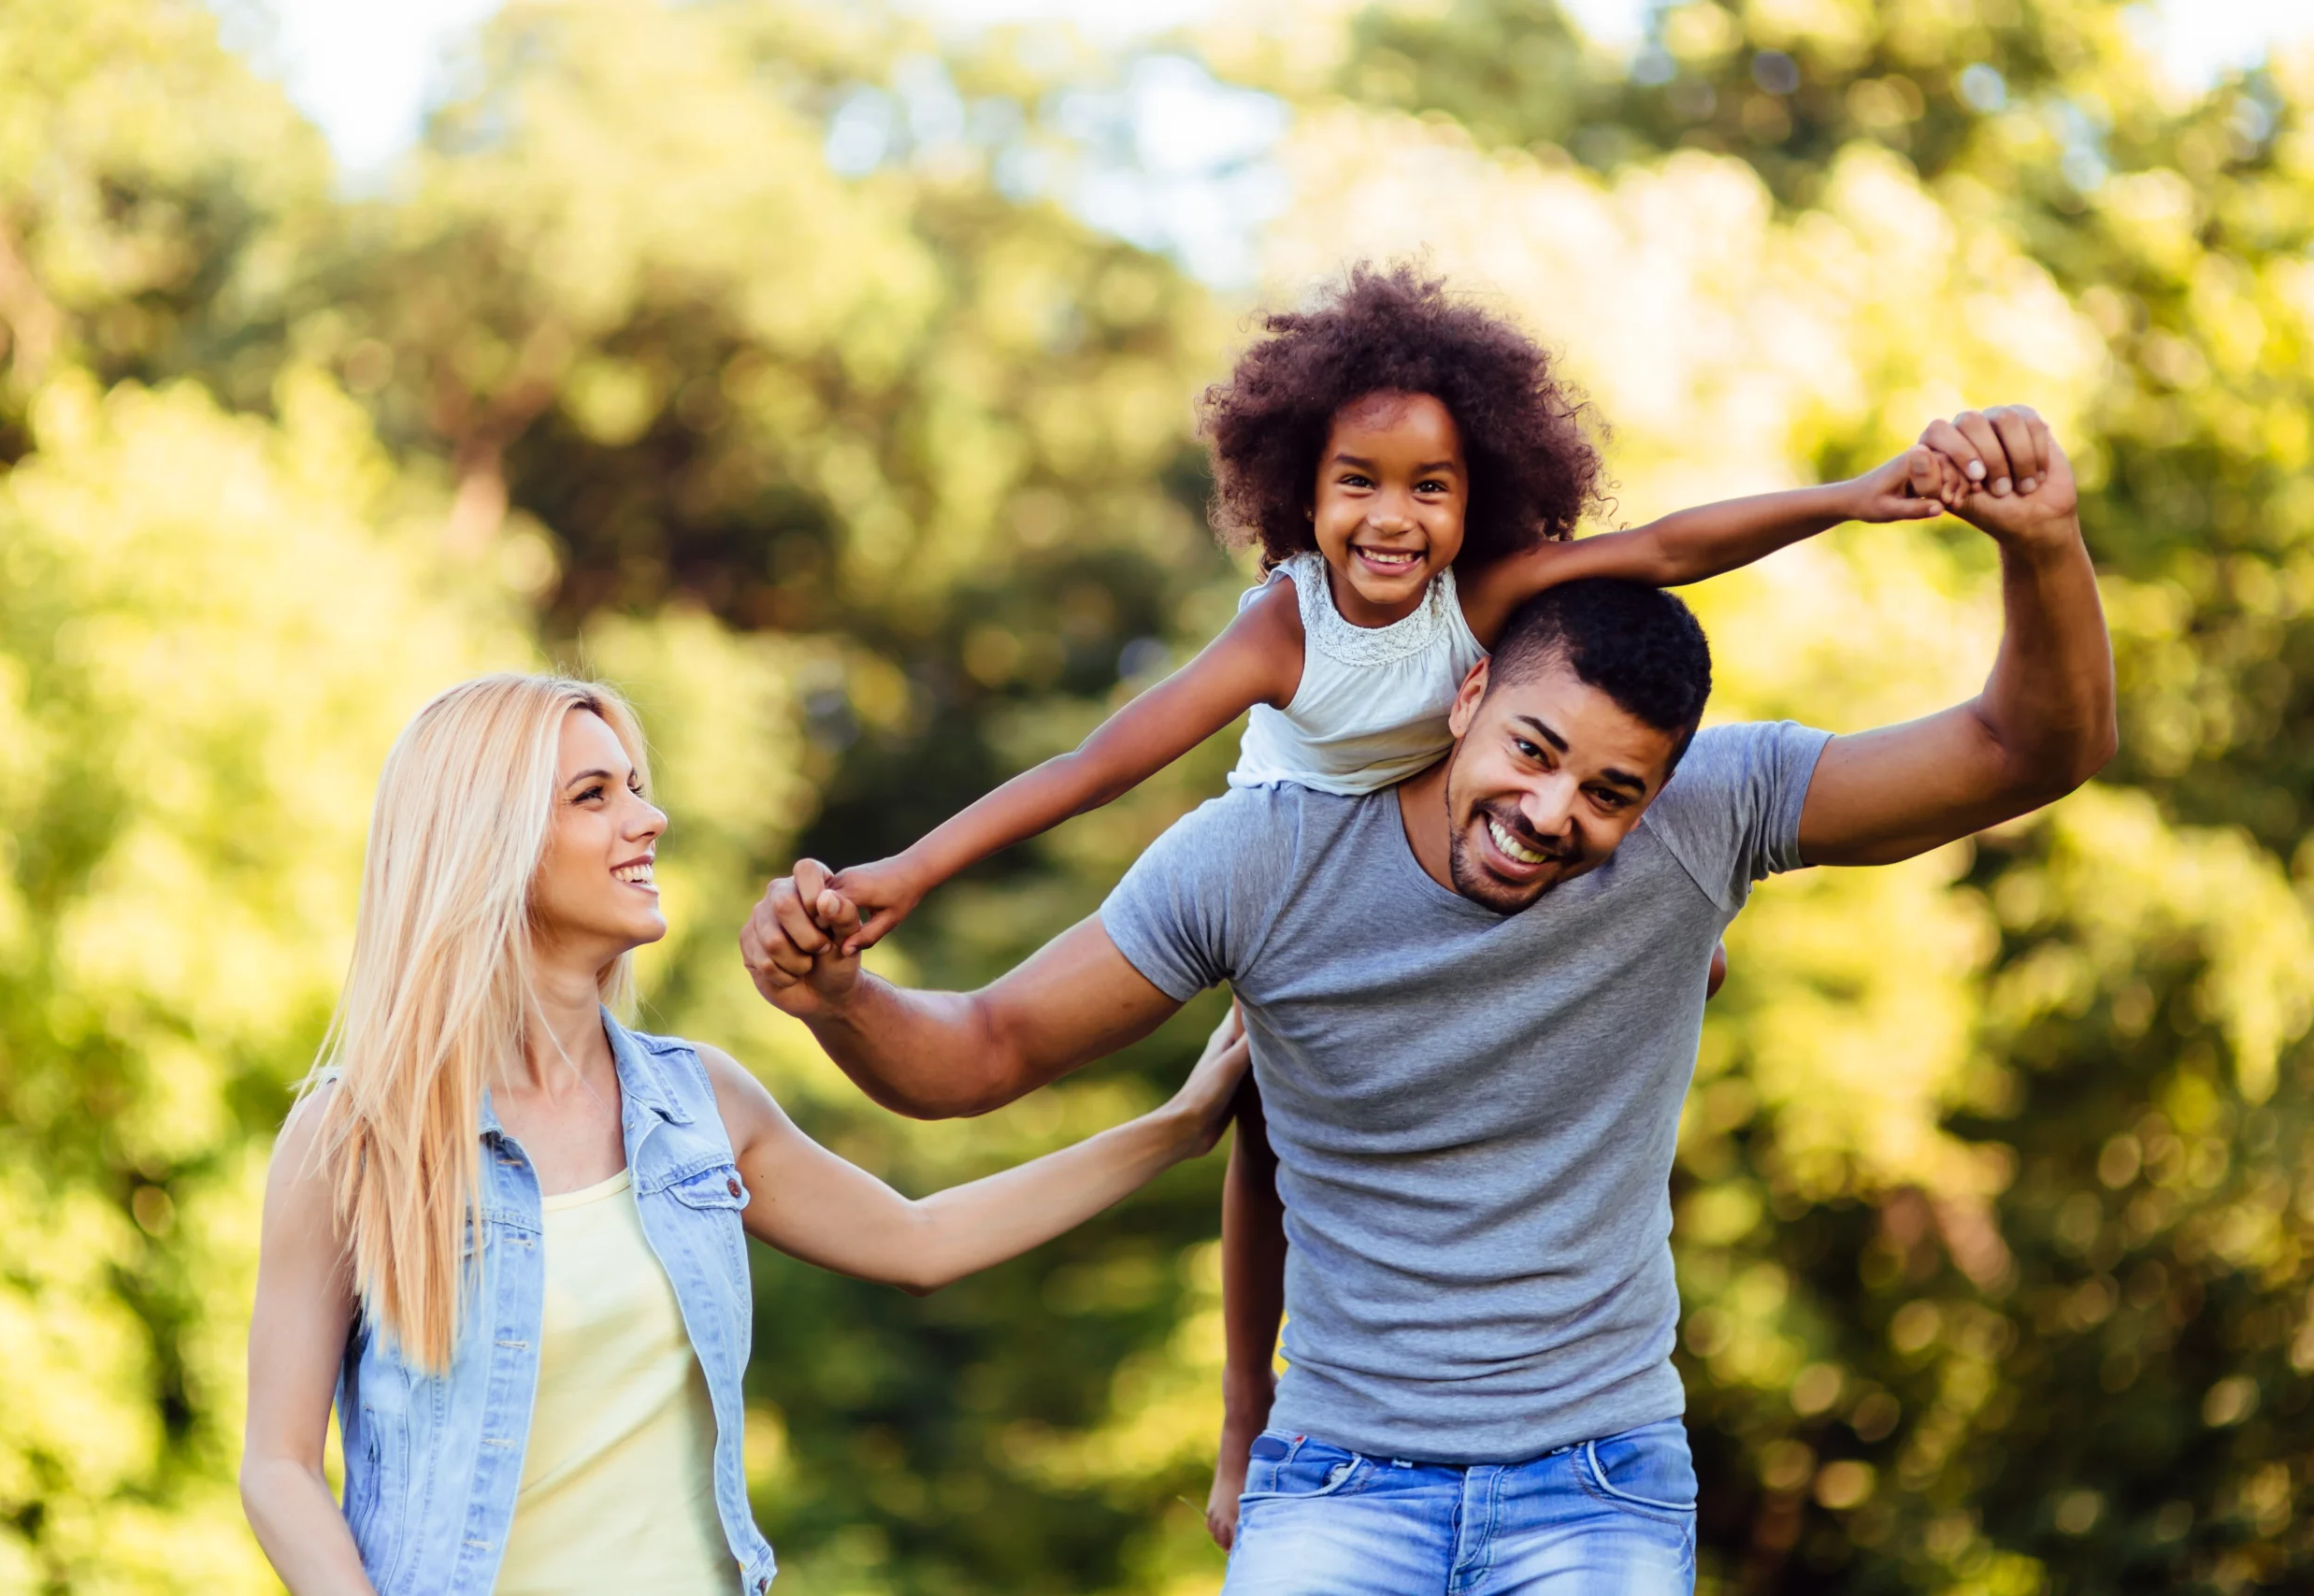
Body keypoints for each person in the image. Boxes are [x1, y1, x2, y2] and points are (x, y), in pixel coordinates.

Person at [740, 406, 2114, 1593]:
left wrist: (2042, 541)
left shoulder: (1712, 811)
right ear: (1468, 697)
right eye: (1533, 748)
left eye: (1609, 793)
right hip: (1337, 1482)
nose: (1549, 812)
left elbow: (2028, 747)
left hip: (1602, 1477)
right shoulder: (1262, 854)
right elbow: (978, 1052)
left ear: (1660, 791)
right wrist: (837, 995)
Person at [238, 673, 1250, 1596]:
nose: (649, 818)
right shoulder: (359, 1134)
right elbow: (278, 1467)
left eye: (634, 785)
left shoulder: (696, 1105)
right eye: (594, 797)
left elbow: (922, 1240)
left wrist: (1176, 1129)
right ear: (485, 841)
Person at [821, 265, 1961, 955]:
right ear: (1302, 492)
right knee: (1261, 1096)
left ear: (1482, 497)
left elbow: (1665, 547)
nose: (1392, 520)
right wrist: (912, 871)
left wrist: (1850, 500)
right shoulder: (1282, 631)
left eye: (1431, 488)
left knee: (1643, 920)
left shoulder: (1482, 591)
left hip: (1440, 826)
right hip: (1306, 847)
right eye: (1357, 482)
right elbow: (1092, 766)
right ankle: (1242, 1363)